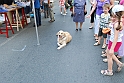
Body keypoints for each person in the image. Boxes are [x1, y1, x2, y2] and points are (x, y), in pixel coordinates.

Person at [100, 5, 124, 76]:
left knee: (109, 55)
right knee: (108, 52)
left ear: (114, 13)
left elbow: (116, 37)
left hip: (115, 41)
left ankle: (109, 71)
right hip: (113, 40)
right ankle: (119, 63)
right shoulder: (118, 21)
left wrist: (112, 49)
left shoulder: (117, 24)